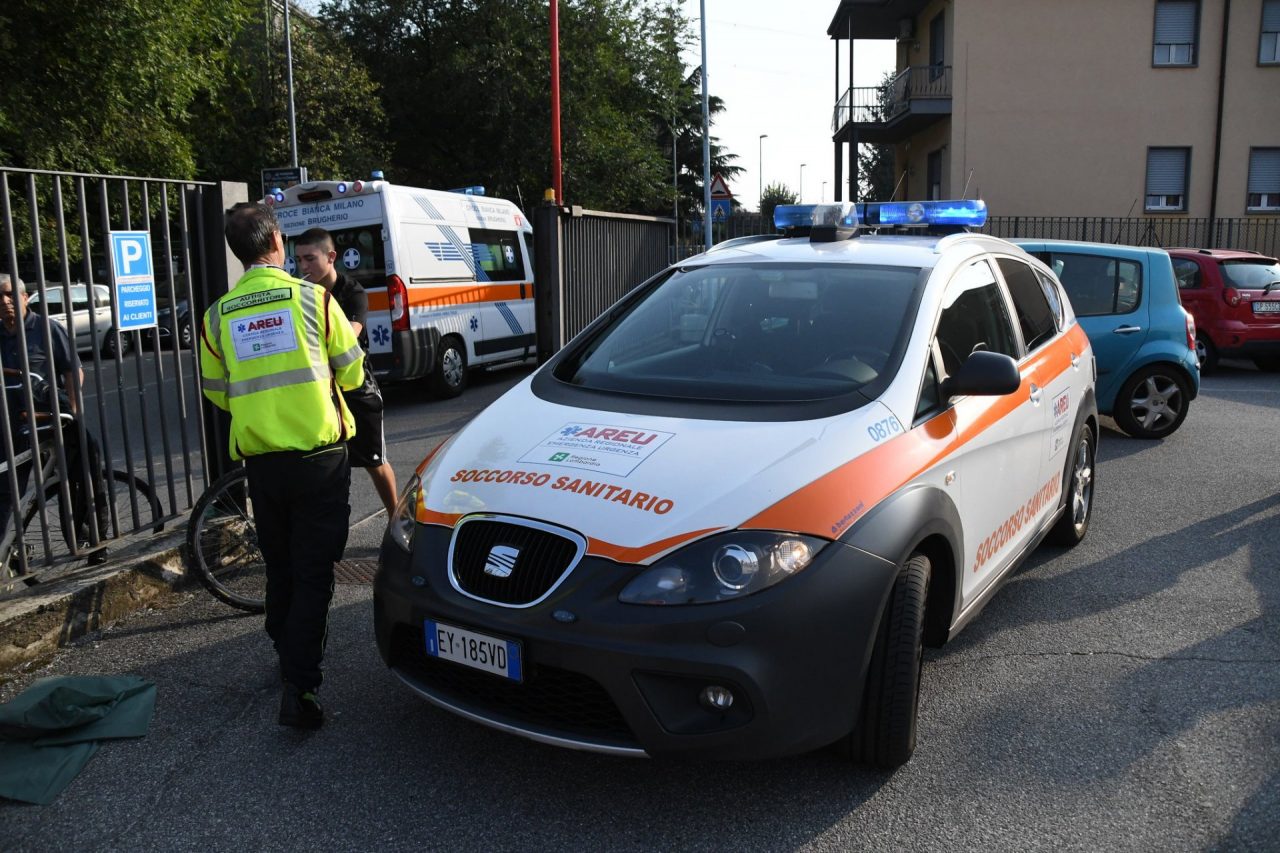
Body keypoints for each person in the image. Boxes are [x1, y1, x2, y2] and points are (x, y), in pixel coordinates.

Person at [200, 203, 364, 729]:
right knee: (314, 573)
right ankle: (301, 687)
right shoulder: (315, 299)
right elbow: (353, 374)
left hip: (262, 465)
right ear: (275, 242)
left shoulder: (216, 317)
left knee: (280, 563)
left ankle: (285, 647)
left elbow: (217, 393)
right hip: (319, 459)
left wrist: (261, 411)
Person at [0, 273, 110, 565]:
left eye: (11, 295)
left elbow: (73, 371)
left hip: (51, 421)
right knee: (7, 491)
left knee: (82, 472)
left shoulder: (46, 329)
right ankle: (7, 551)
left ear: (25, 298)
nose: (5, 302)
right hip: (11, 427)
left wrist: (73, 413)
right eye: (0, 297)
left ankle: (92, 542)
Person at [294, 228, 398, 515]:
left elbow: (348, 336)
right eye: (298, 260)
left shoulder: (353, 292)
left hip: (357, 388)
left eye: (310, 259)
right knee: (328, 466)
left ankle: (398, 521)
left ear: (331, 257)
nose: (303, 267)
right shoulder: (300, 293)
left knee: (374, 461)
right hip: (320, 391)